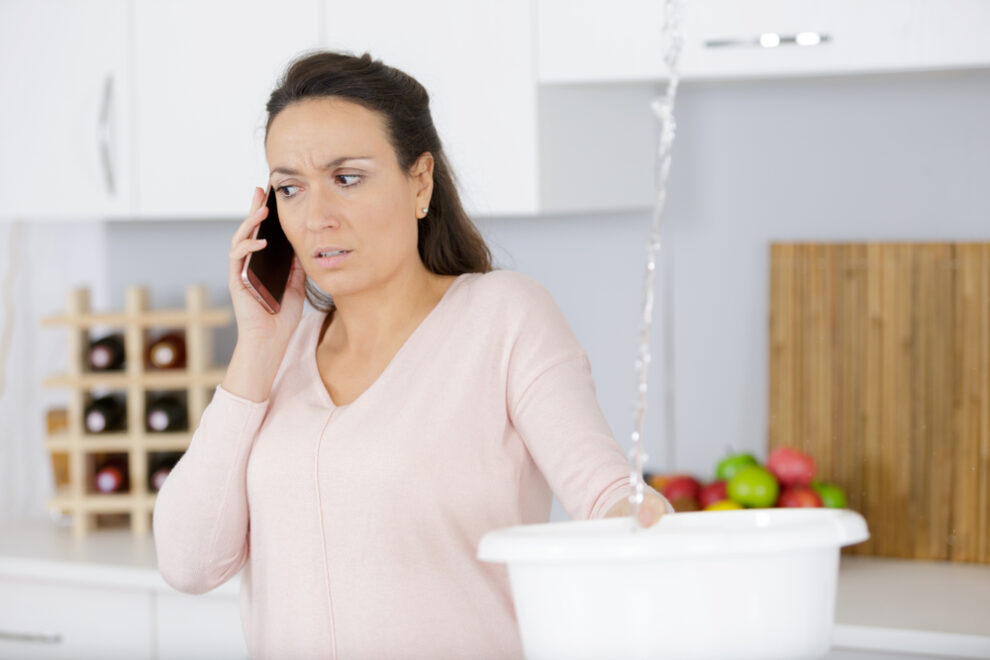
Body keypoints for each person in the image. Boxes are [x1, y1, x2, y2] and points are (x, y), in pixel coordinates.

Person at [152, 49, 671, 659]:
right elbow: (188, 563)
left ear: (419, 180)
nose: (316, 216)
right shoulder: (278, 351)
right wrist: (257, 349)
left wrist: (673, 562)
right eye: (290, 188)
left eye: (347, 179)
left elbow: (610, 498)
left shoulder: (503, 318)